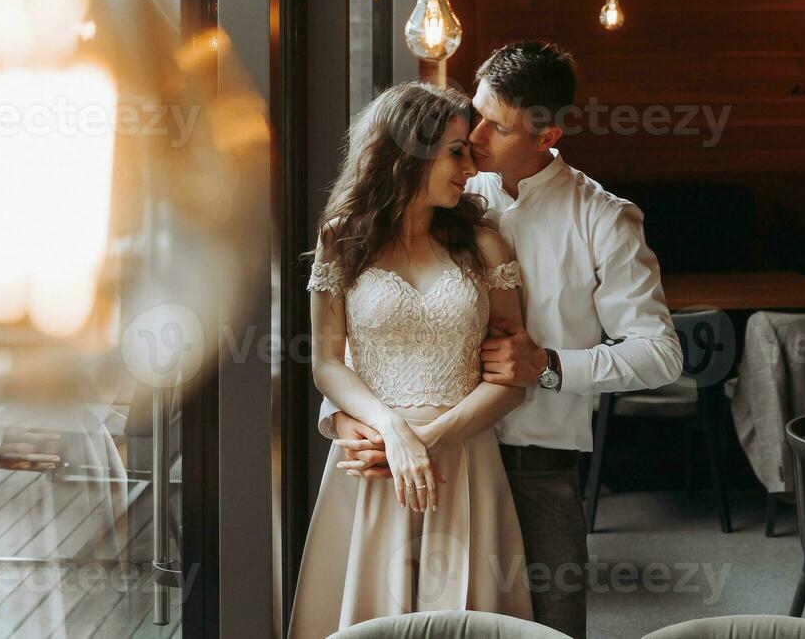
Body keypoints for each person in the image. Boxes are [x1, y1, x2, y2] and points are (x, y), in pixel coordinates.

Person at [324, 41, 683, 638]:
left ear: (546, 137)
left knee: (553, 630)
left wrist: (549, 365)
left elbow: (661, 352)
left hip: (536, 468)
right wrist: (341, 419)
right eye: (477, 111)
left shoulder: (604, 219)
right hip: (418, 464)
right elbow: (376, 324)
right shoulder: (443, 196)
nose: (476, 133)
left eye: (499, 126)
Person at [288, 81, 533, 638]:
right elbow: (327, 364)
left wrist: (429, 442)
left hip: (465, 459)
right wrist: (394, 434)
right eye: (455, 151)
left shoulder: (486, 245)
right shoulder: (341, 240)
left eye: (470, 152)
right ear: (408, 151)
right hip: (374, 460)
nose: (470, 167)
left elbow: (513, 379)